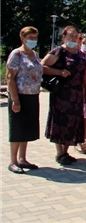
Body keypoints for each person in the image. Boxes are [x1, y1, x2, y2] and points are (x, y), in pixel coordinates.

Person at [42, 26, 86, 165]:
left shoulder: (79, 54)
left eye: (76, 36)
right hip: (62, 93)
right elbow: (42, 66)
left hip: (77, 94)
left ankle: (66, 152)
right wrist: (59, 72)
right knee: (61, 122)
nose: (74, 38)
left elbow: (83, 75)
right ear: (64, 37)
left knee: (72, 123)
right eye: (71, 36)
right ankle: (59, 153)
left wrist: (85, 90)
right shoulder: (59, 51)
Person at [6, 26, 43, 174]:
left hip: (32, 95)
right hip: (19, 96)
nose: (33, 40)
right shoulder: (17, 54)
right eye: (30, 37)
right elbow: (10, 78)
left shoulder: (34, 54)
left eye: (35, 37)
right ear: (23, 38)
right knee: (17, 128)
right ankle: (13, 161)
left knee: (27, 128)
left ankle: (22, 158)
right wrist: (15, 100)